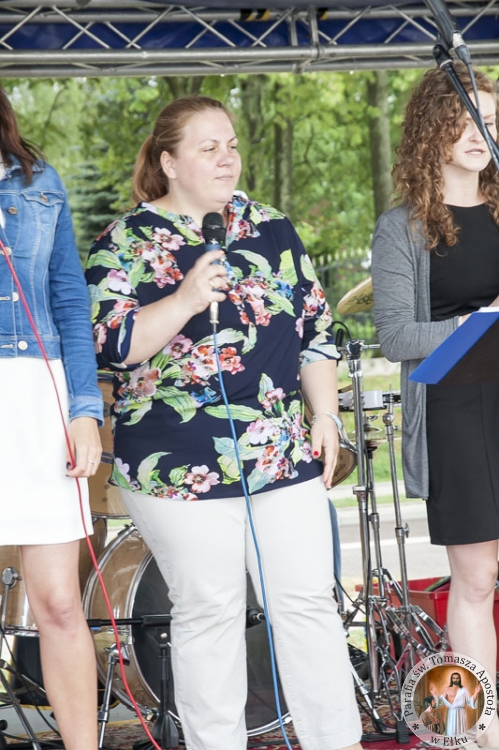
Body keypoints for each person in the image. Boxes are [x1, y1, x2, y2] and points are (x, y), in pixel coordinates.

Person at [85, 95, 362, 750]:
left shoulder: (270, 227)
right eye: (208, 147)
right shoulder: (122, 241)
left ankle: (337, 741)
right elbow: (113, 345)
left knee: (306, 603)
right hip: (176, 462)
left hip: (277, 450)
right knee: (209, 610)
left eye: (231, 145)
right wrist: (184, 298)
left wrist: (324, 413)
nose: (226, 158)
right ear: (168, 162)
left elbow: (316, 332)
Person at [371, 64, 499, 750]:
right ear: (432, 131)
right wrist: (481, 323)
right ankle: (476, 733)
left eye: (491, 120)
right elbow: (395, 336)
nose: (482, 133)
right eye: (465, 119)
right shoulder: (402, 227)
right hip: (455, 411)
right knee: (474, 581)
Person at [0, 88, 103, 750]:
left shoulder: (39, 183)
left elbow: (69, 299)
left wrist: (84, 409)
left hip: (37, 395)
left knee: (60, 602)